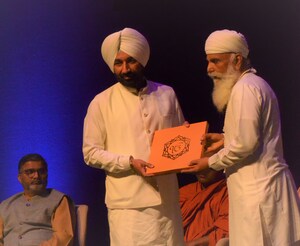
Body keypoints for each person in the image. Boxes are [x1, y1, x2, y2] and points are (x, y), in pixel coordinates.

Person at [182, 29, 300, 245]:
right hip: (257, 190)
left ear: (237, 60)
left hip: (259, 192)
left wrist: (209, 162)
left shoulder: (245, 89)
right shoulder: (252, 85)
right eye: (208, 62)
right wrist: (223, 139)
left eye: (215, 61)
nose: (209, 69)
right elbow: (252, 137)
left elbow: (245, 144)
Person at [82, 27, 185, 245]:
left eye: (131, 61)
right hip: (128, 206)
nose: (125, 69)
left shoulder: (166, 94)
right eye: (118, 63)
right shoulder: (101, 102)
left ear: (142, 60)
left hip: (167, 201)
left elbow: (181, 134)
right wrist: (128, 162)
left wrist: (196, 142)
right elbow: (90, 152)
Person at [0, 153, 75, 246]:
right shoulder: (5, 205)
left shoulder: (59, 200)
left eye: (41, 171)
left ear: (46, 175)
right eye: (30, 172)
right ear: (20, 178)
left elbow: (63, 237)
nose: (36, 176)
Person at [179, 169, 229, 246]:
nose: (202, 171)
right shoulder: (185, 191)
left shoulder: (228, 192)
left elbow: (226, 231)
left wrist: (191, 244)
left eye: (209, 167)